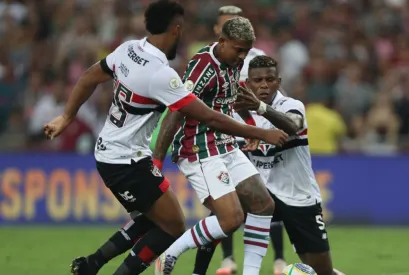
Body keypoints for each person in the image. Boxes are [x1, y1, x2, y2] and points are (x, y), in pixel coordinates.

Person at [43, 2, 288, 275]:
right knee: (172, 226)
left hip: (118, 152)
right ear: (176, 30)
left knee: (153, 219)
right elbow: (208, 117)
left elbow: (89, 76)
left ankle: (92, 264)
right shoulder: (161, 75)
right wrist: (261, 132)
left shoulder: (128, 49)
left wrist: (66, 117)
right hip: (125, 160)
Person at [190, 55, 345, 275]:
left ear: (278, 82)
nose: (264, 84)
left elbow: (292, 126)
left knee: (321, 270)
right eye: (258, 80)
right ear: (248, 84)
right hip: (260, 193)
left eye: (269, 79)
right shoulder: (235, 115)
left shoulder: (292, 105)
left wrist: (261, 107)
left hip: (297, 196)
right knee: (221, 218)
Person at [153, 17, 278, 275]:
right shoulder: (202, 67)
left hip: (226, 144)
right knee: (231, 219)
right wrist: (157, 160)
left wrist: (247, 124)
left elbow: (230, 99)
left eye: (246, 49)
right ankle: (170, 254)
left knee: (264, 204)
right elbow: (176, 111)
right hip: (198, 148)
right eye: (239, 49)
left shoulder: (233, 61)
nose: (243, 56)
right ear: (222, 41)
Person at [189, 5, 285, 275]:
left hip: (252, 135)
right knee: (229, 210)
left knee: (264, 199)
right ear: (218, 31)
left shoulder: (254, 56)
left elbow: (263, 93)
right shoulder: (208, 60)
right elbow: (191, 104)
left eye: (235, 22)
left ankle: (277, 258)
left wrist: (259, 126)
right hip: (219, 139)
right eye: (224, 24)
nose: (229, 27)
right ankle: (227, 258)